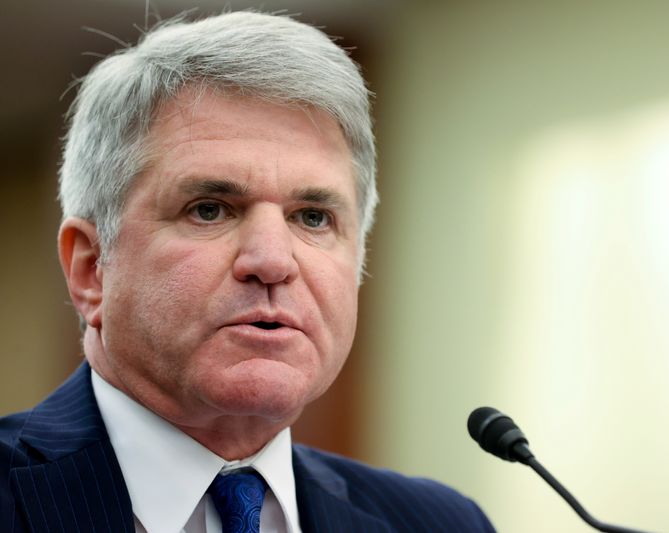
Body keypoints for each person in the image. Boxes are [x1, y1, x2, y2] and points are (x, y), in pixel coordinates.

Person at [0, 11, 495, 533]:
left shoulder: (439, 522)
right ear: (90, 269)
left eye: (312, 218)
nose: (273, 261)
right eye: (210, 209)